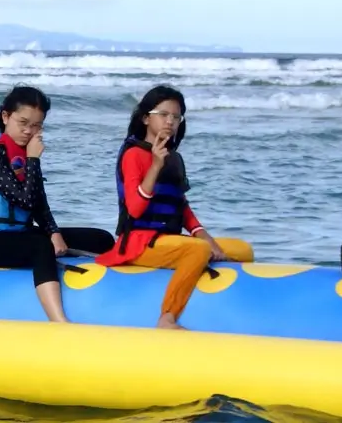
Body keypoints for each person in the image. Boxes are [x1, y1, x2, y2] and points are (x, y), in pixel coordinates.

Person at [95, 84, 254, 330]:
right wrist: (155, 166)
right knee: (197, 251)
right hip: (137, 243)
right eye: (164, 115)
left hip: (168, 240)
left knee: (243, 250)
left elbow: (182, 208)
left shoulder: (175, 158)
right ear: (146, 118)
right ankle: (167, 317)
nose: (170, 121)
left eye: (176, 117)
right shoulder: (133, 155)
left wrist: (207, 238)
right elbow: (135, 209)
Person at [0, 85, 116, 323]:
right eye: (22, 122)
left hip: (20, 234)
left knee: (100, 238)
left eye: (36, 125)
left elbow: (38, 200)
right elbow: (23, 199)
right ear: (5, 116)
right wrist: (33, 159)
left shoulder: (23, 151)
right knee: (40, 246)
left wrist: (53, 232)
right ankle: (58, 320)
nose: (28, 131)